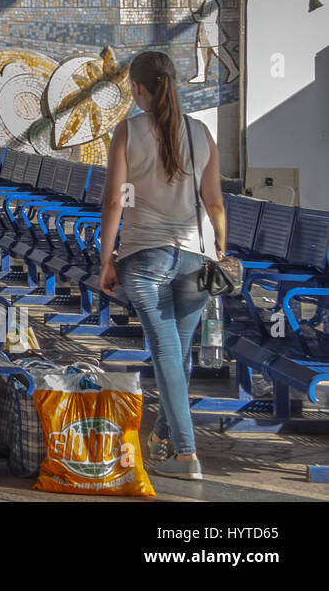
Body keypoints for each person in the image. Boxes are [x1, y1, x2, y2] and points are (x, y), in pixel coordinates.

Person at [99, 51, 227, 482]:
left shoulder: (128, 131)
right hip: (196, 258)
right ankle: (161, 440)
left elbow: (115, 200)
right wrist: (220, 247)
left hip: (145, 256)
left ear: (136, 89)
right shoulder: (201, 132)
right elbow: (214, 203)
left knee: (168, 351)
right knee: (178, 354)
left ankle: (187, 454)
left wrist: (106, 259)